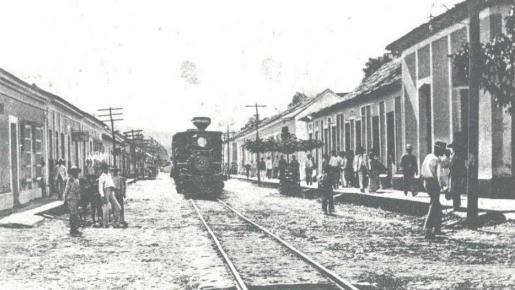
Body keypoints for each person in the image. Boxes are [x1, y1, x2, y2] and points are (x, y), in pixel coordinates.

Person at [421, 141, 446, 239]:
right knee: (434, 204)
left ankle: (437, 227)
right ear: (438, 149)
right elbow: (439, 176)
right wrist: (443, 187)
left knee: (437, 204)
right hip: (433, 182)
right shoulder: (437, 160)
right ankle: (427, 227)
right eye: (442, 150)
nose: (443, 153)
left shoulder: (428, 156)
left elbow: (422, 169)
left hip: (426, 182)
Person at [98, 164, 121, 228]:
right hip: (105, 191)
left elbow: (112, 184)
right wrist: (102, 196)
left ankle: (115, 222)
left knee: (118, 207)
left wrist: (113, 191)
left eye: (107, 168)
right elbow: (100, 188)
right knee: (106, 208)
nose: (107, 170)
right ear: (103, 169)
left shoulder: (109, 175)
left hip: (111, 191)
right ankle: (105, 224)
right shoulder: (101, 177)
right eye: (105, 168)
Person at [449, 135, 467, 210]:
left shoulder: (457, 156)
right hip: (454, 175)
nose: (453, 149)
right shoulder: (454, 155)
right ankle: (456, 205)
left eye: (454, 147)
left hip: (456, 175)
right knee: (455, 190)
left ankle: (456, 205)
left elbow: (461, 167)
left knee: (455, 190)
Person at [64, 167, 82, 237]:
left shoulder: (77, 180)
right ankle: (73, 229)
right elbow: (66, 189)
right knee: (73, 214)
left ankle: (75, 229)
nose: (77, 174)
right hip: (71, 198)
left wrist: (79, 198)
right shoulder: (70, 180)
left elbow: (78, 190)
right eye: (75, 172)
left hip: (76, 198)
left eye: (77, 172)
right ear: (72, 173)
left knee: (76, 213)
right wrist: (64, 198)